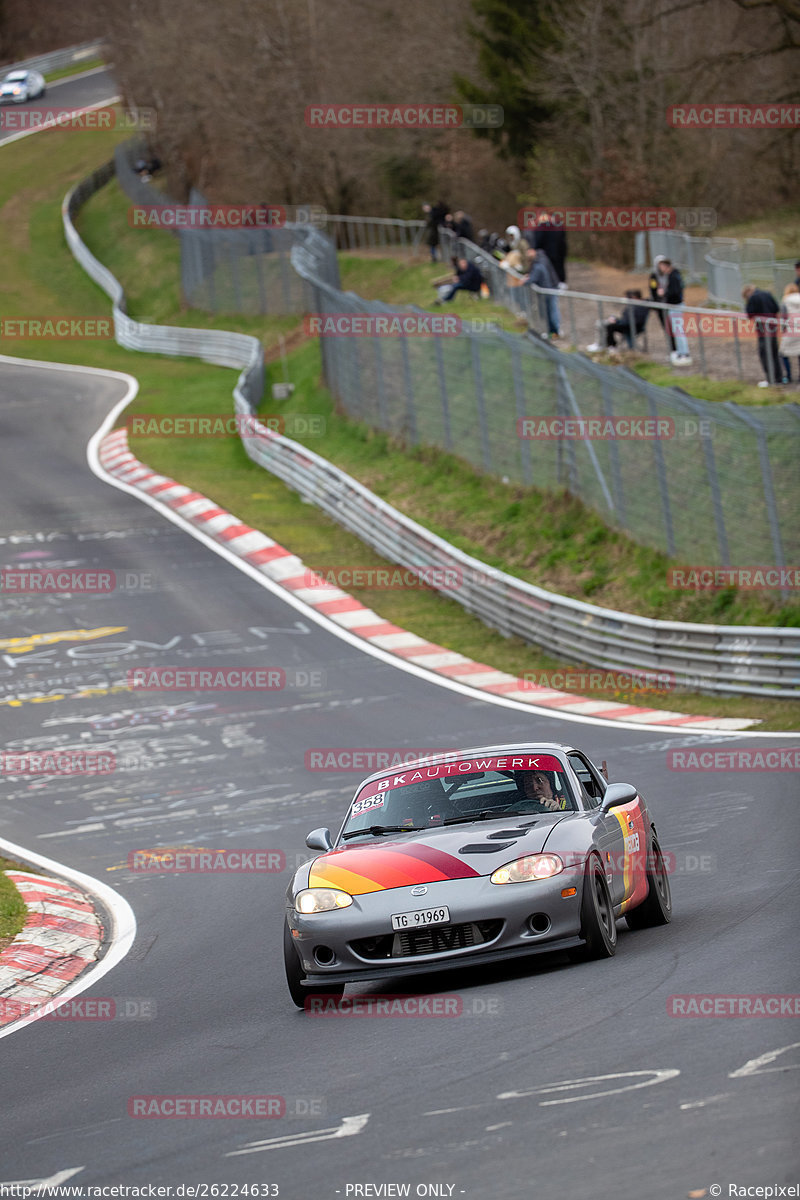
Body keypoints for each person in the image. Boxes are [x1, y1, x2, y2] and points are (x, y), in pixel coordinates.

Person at [650, 257, 691, 365]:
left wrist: (664, 294)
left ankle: (685, 354)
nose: (661, 269)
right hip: (673, 305)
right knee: (676, 330)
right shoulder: (672, 275)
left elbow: (675, 291)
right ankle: (680, 352)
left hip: (676, 305)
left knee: (678, 330)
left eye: (662, 266)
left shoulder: (673, 276)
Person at [743, 284, 782, 386]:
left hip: (762, 329)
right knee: (774, 353)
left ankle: (770, 379)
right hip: (772, 326)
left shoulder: (753, 298)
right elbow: (776, 308)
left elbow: (749, 314)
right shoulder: (768, 294)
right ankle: (778, 378)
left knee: (764, 354)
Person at [524, 246, 561, 337]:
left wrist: (527, 280)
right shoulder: (538, 259)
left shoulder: (541, 260)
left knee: (552, 311)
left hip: (550, 288)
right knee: (548, 311)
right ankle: (552, 332)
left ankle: (556, 331)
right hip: (548, 289)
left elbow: (537, 274)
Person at [532, 211, 568, 288]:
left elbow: (538, 239)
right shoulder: (559, 226)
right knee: (558, 267)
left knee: (550, 269)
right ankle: (560, 283)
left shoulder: (542, 227)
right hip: (558, 252)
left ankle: (553, 284)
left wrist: (536, 248)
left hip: (548, 252)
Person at [779, 282, 800, 383]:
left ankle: (788, 376)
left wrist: (783, 329)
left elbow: (784, 317)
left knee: (783, 353)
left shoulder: (785, 301)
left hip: (791, 331)